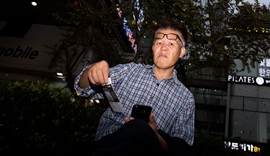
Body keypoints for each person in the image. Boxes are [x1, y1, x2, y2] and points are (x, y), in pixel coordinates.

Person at [74, 19, 195, 156]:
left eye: (171, 44)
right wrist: (92, 70)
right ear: (153, 47)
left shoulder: (186, 99)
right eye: (159, 42)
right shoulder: (130, 70)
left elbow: (183, 148)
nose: (164, 47)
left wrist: (155, 135)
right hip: (109, 143)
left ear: (181, 52)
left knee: (141, 128)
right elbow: (81, 89)